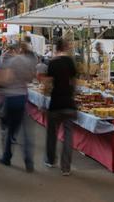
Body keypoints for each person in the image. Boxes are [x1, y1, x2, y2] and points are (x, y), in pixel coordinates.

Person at [44, 38, 77, 176]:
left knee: (52, 133)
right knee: (68, 136)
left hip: (55, 102)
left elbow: (47, 84)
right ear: (66, 47)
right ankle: (66, 167)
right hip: (68, 102)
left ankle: (51, 160)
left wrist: (45, 96)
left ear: (57, 48)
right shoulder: (70, 62)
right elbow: (74, 82)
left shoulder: (52, 63)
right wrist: (72, 93)